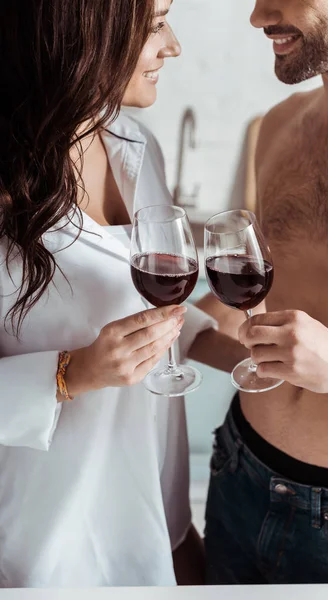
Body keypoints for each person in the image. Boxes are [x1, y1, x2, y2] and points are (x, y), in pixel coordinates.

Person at [0, 0, 244, 588]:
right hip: (42, 546)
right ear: (79, 28)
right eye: (155, 23)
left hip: (153, 527)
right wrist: (69, 374)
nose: (173, 45)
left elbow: (142, 313)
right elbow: (90, 350)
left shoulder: (136, 143)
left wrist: (225, 349)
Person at [203, 0, 328, 585]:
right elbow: (249, 298)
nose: (259, 17)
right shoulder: (277, 127)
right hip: (238, 467)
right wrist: (169, 329)